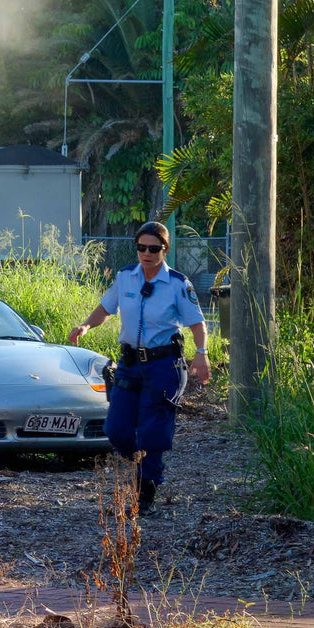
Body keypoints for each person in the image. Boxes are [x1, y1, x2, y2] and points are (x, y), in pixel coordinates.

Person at [67, 221, 210, 516]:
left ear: (165, 250)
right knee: (116, 429)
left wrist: (202, 354)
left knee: (152, 432)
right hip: (130, 365)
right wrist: (85, 325)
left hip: (163, 366)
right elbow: (106, 308)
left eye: (154, 249)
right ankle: (143, 460)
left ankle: (145, 494)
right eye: (142, 247)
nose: (146, 253)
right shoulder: (126, 278)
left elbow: (197, 322)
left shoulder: (177, 284)